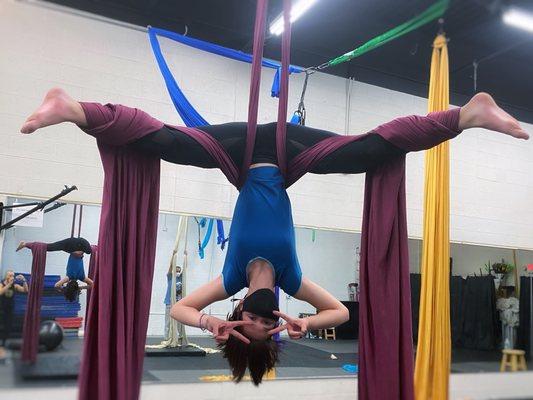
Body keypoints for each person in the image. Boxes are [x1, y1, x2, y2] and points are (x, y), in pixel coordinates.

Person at [20, 87, 529, 384]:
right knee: (371, 151)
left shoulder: (227, 279)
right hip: (290, 157)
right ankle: (465, 116)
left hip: (237, 151)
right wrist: (302, 326)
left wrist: (207, 321)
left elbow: (177, 310)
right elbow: (344, 313)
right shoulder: (292, 277)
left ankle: (75, 110)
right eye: (272, 321)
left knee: (166, 142)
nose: (266, 314)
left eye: (254, 320)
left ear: (242, 312)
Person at [17, 237, 94, 302]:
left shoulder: (82, 277)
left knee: (88, 251)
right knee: (49, 247)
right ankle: (25, 244)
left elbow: (92, 284)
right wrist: (63, 289)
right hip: (74, 245)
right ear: (67, 285)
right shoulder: (69, 277)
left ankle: (25, 244)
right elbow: (56, 285)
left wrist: (80, 288)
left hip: (83, 245)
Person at [0, 270, 29, 346]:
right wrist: (9, 284)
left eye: (12, 275)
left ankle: (4, 341)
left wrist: (24, 281)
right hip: (1, 307)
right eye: (10, 275)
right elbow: (1, 292)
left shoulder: (15, 285)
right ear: (6, 276)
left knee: (8, 325)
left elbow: (25, 290)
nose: (11, 277)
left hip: (9, 307)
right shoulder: (2, 283)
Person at [164, 265, 182, 339]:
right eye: (176, 271)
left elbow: (185, 267)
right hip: (169, 302)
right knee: (168, 321)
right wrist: (173, 256)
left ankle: (180, 335)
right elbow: (170, 268)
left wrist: (186, 256)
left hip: (178, 304)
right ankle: (166, 337)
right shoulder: (170, 278)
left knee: (179, 321)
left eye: (179, 271)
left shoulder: (181, 279)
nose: (177, 272)